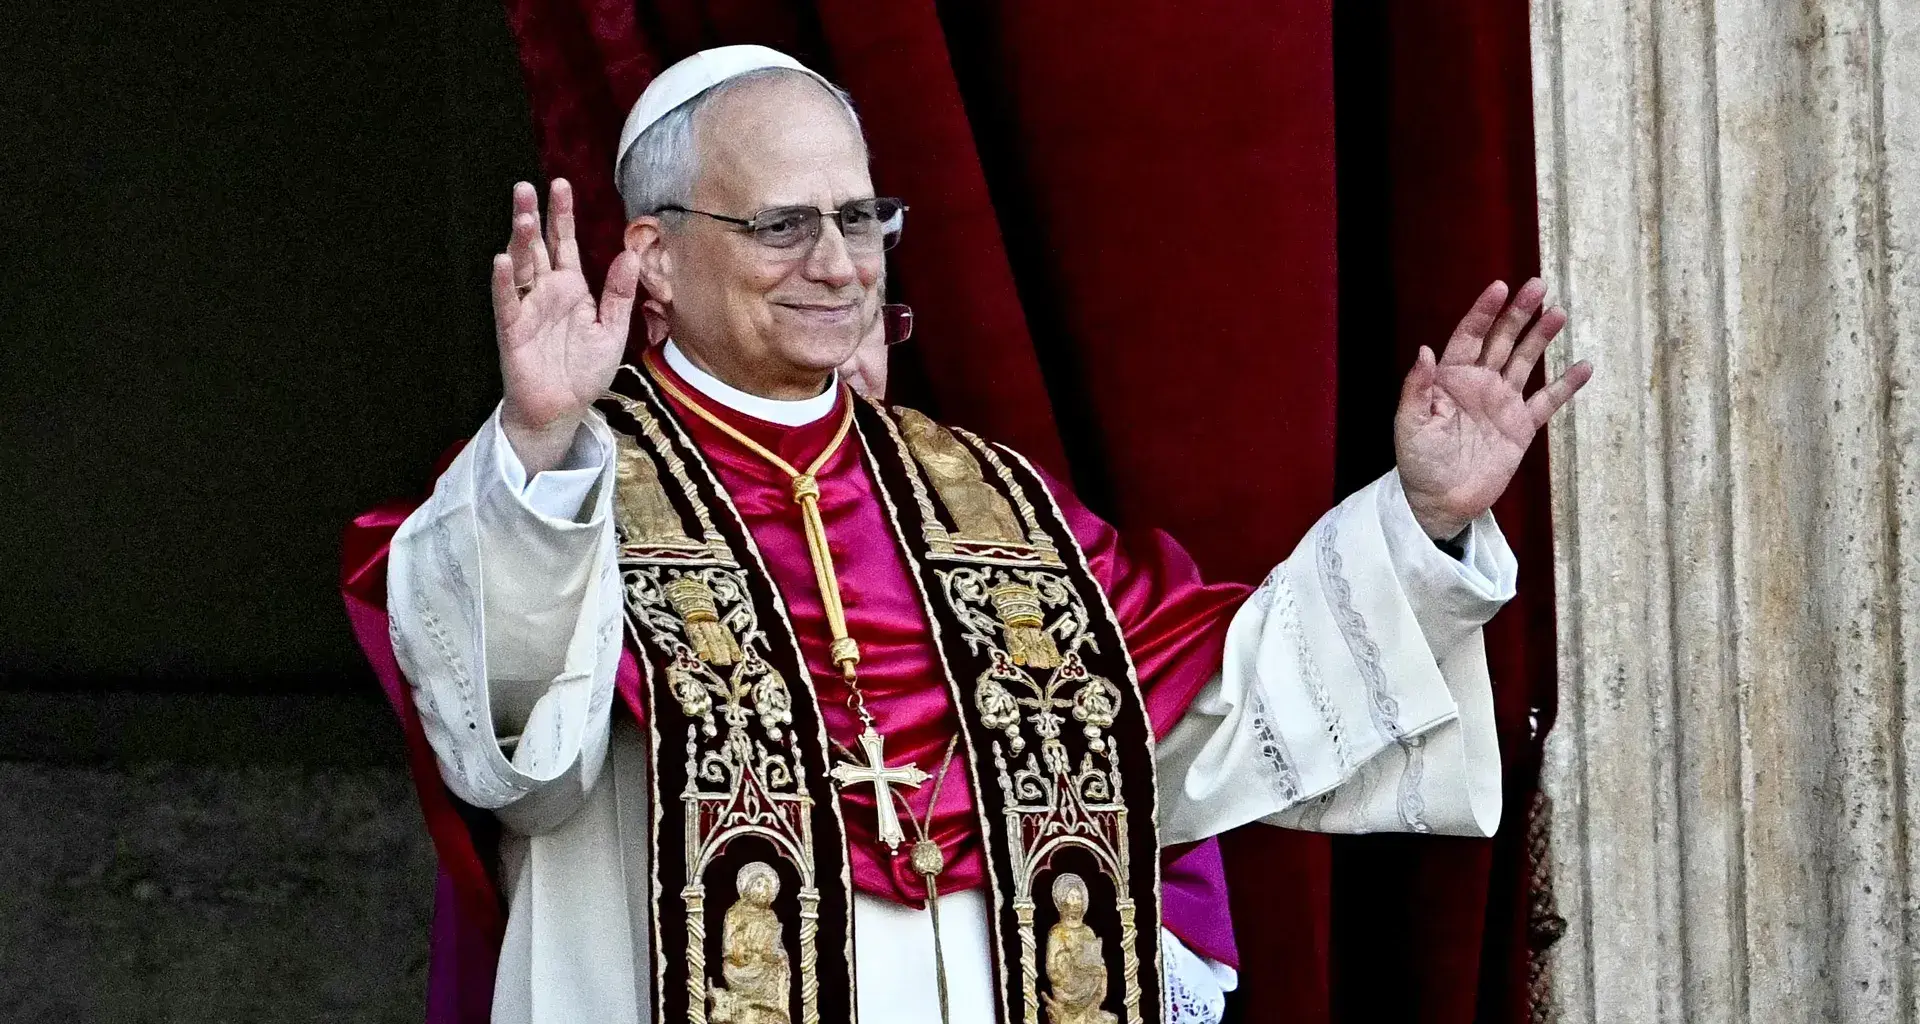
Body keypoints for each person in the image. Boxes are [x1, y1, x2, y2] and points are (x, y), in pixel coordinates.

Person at [353, 44, 1590, 1024]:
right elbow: (518, 752)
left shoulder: (990, 500)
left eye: (862, 217)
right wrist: (536, 441)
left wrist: (1424, 515)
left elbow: (1206, 706)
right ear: (656, 257)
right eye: (784, 224)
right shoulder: (570, 488)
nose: (839, 263)